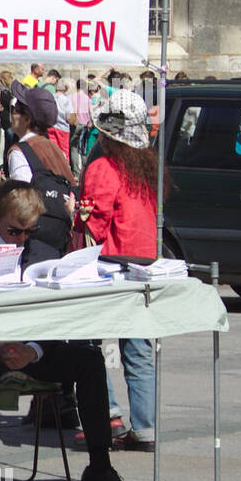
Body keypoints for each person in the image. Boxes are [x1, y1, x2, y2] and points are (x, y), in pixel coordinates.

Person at [0, 181, 146, 481]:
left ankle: (100, 466)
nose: (21, 239)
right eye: (14, 231)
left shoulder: (44, 252)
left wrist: (33, 351)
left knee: (89, 359)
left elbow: (59, 314)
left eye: (29, 231)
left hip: (29, 346)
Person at [74, 90, 161, 452]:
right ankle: (145, 429)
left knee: (89, 344)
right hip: (146, 264)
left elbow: (93, 221)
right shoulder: (146, 167)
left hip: (110, 266)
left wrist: (72, 214)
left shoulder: (102, 167)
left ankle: (107, 414)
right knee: (139, 349)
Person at [5, 80, 75, 255]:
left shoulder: (20, 150)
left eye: (15, 110)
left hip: (33, 238)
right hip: (60, 234)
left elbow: (20, 201)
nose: (11, 114)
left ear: (27, 119)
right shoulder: (53, 147)